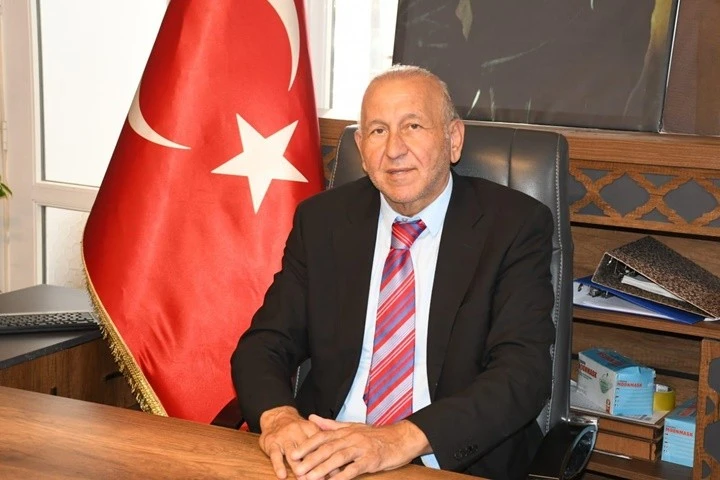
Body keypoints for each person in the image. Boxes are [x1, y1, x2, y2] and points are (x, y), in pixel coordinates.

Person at [231, 64, 556, 480]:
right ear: (361, 148)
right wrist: (278, 418)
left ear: (453, 139)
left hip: (447, 460)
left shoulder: (513, 226)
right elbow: (264, 344)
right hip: (327, 453)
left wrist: (399, 439)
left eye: (413, 126)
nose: (394, 149)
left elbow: (524, 374)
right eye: (378, 130)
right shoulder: (323, 222)